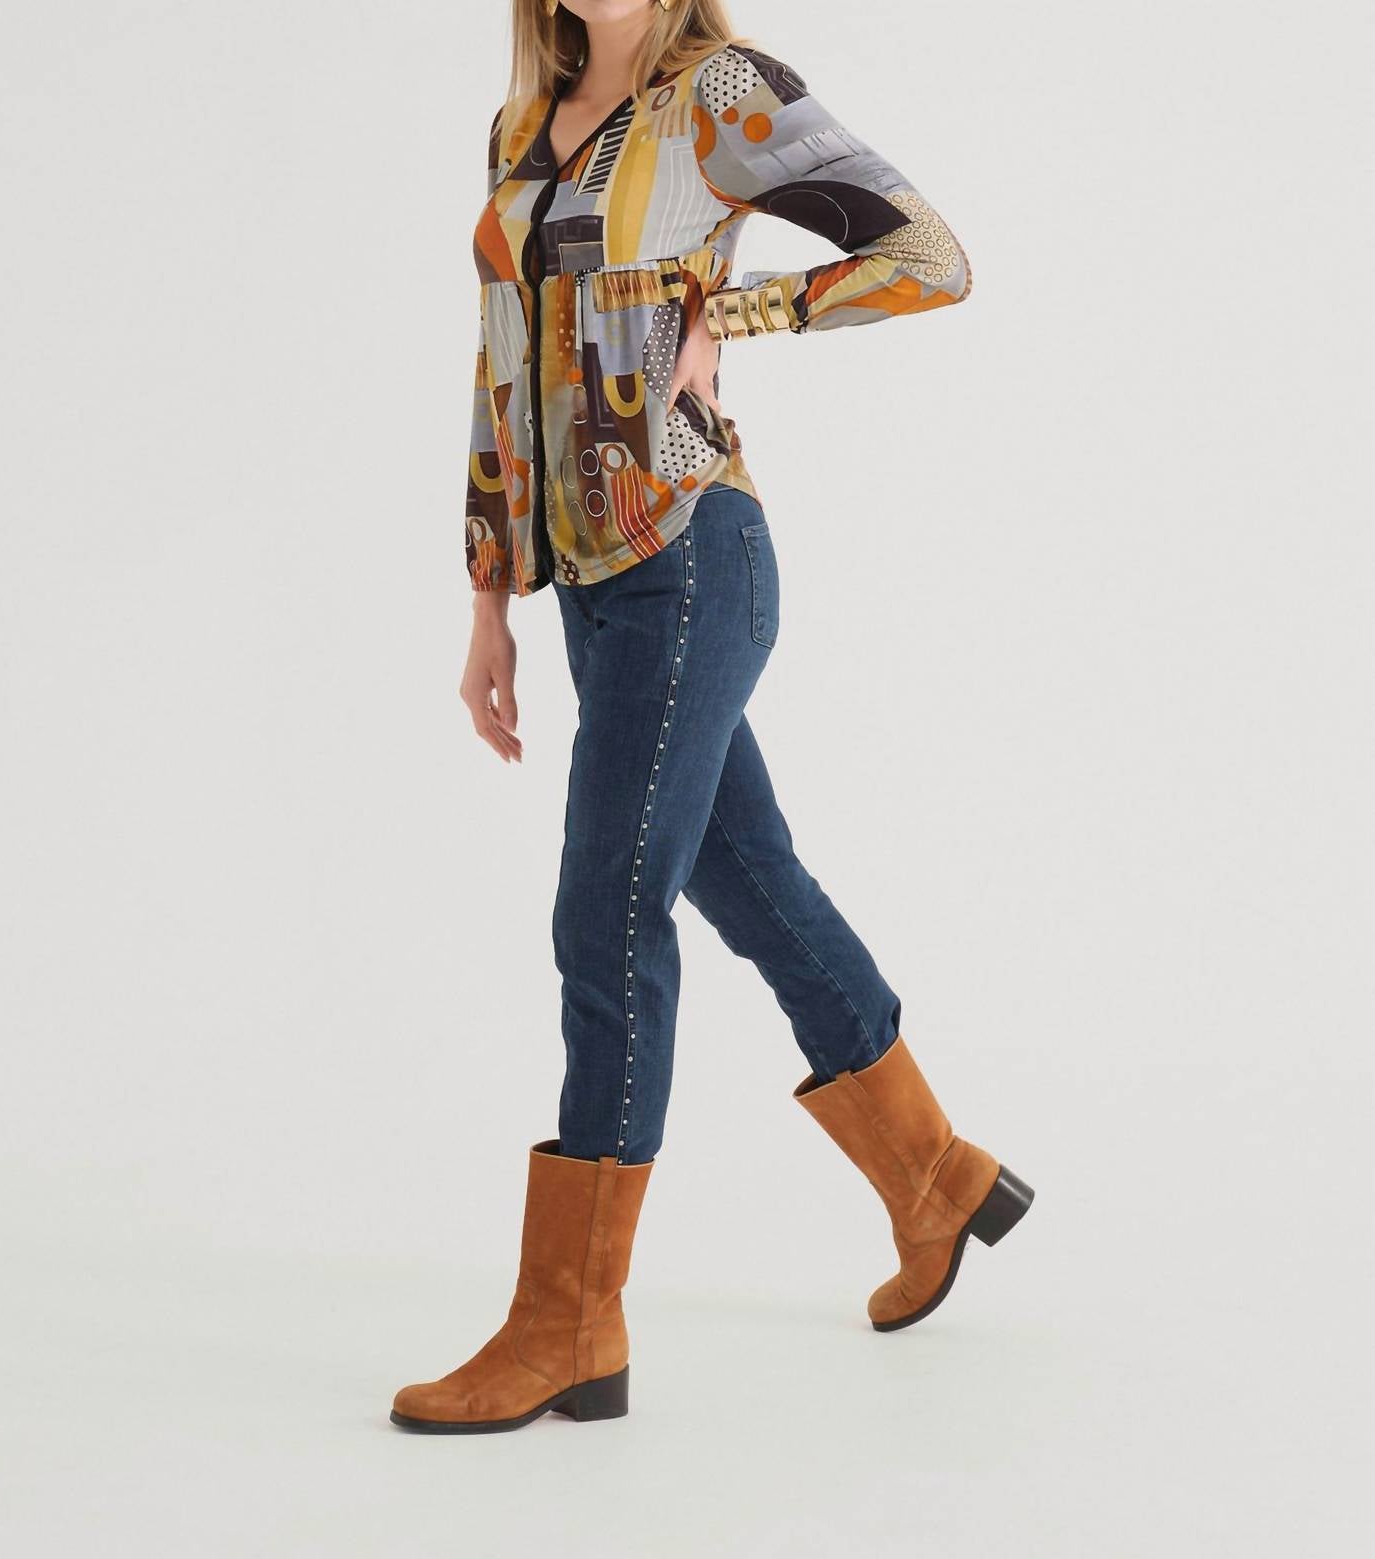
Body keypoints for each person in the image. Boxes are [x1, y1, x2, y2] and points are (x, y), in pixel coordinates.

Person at [390, 0, 1032, 1435]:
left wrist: (738, 312)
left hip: (689, 552)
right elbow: (501, 362)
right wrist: (490, 595)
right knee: (749, 883)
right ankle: (936, 1178)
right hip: (590, 585)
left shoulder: (721, 95)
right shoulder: (522, 128)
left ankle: (570, 1322)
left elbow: (928, 257)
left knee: (607, 914)